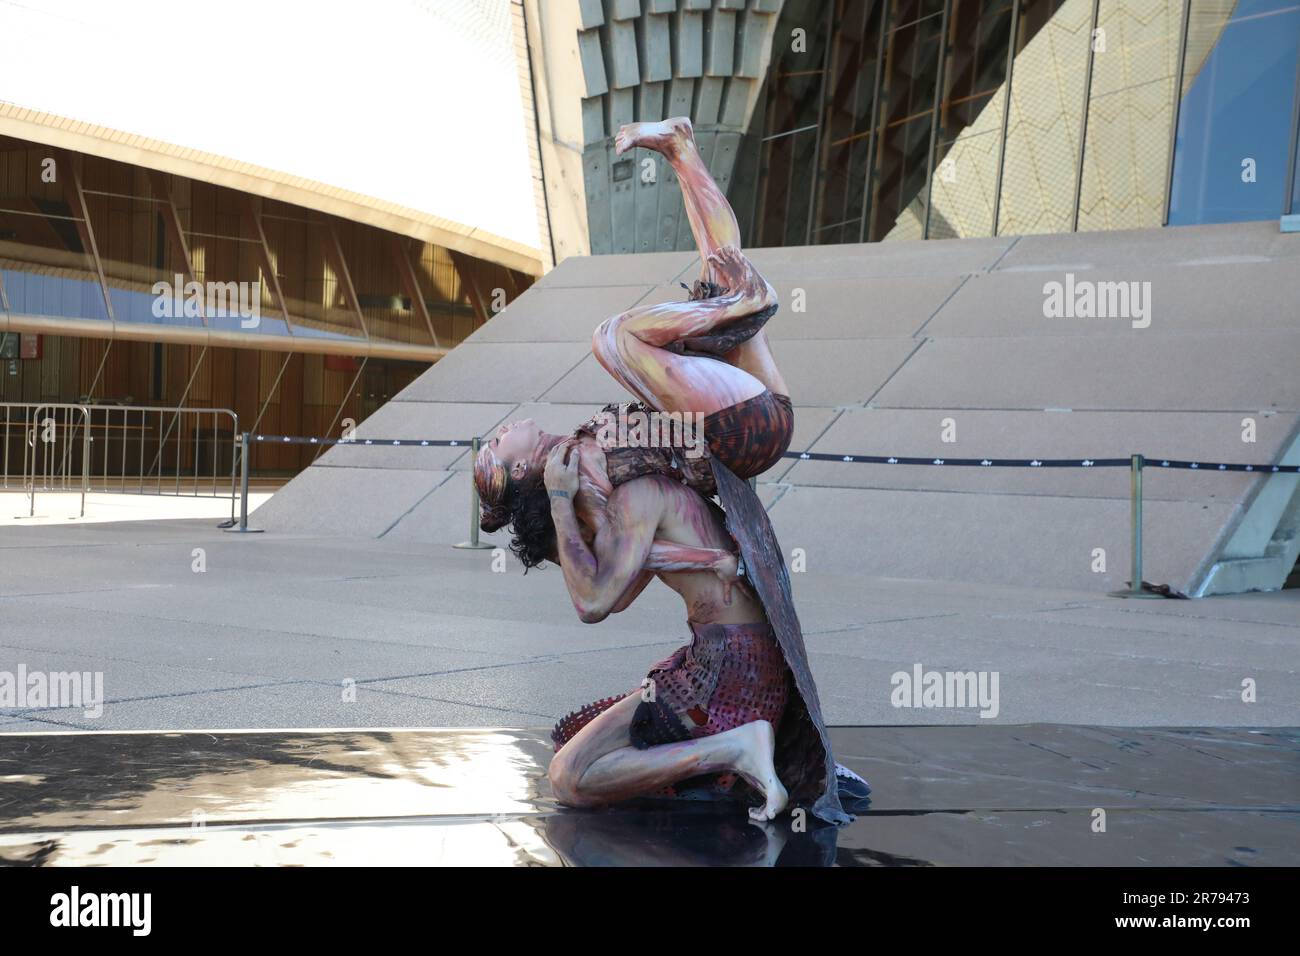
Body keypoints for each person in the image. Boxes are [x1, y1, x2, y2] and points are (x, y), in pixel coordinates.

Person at [473, 117, 856, 825]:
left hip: (739, 434)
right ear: (524, 469)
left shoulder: (619, 484)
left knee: (703, 276)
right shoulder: (617, 487)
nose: (502, 430)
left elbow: (608, 588)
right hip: (741, 432)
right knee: (618, 335)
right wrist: (565, 507)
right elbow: (601, 599)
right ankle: (735, 291)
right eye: (497, 446)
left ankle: (684, 155)